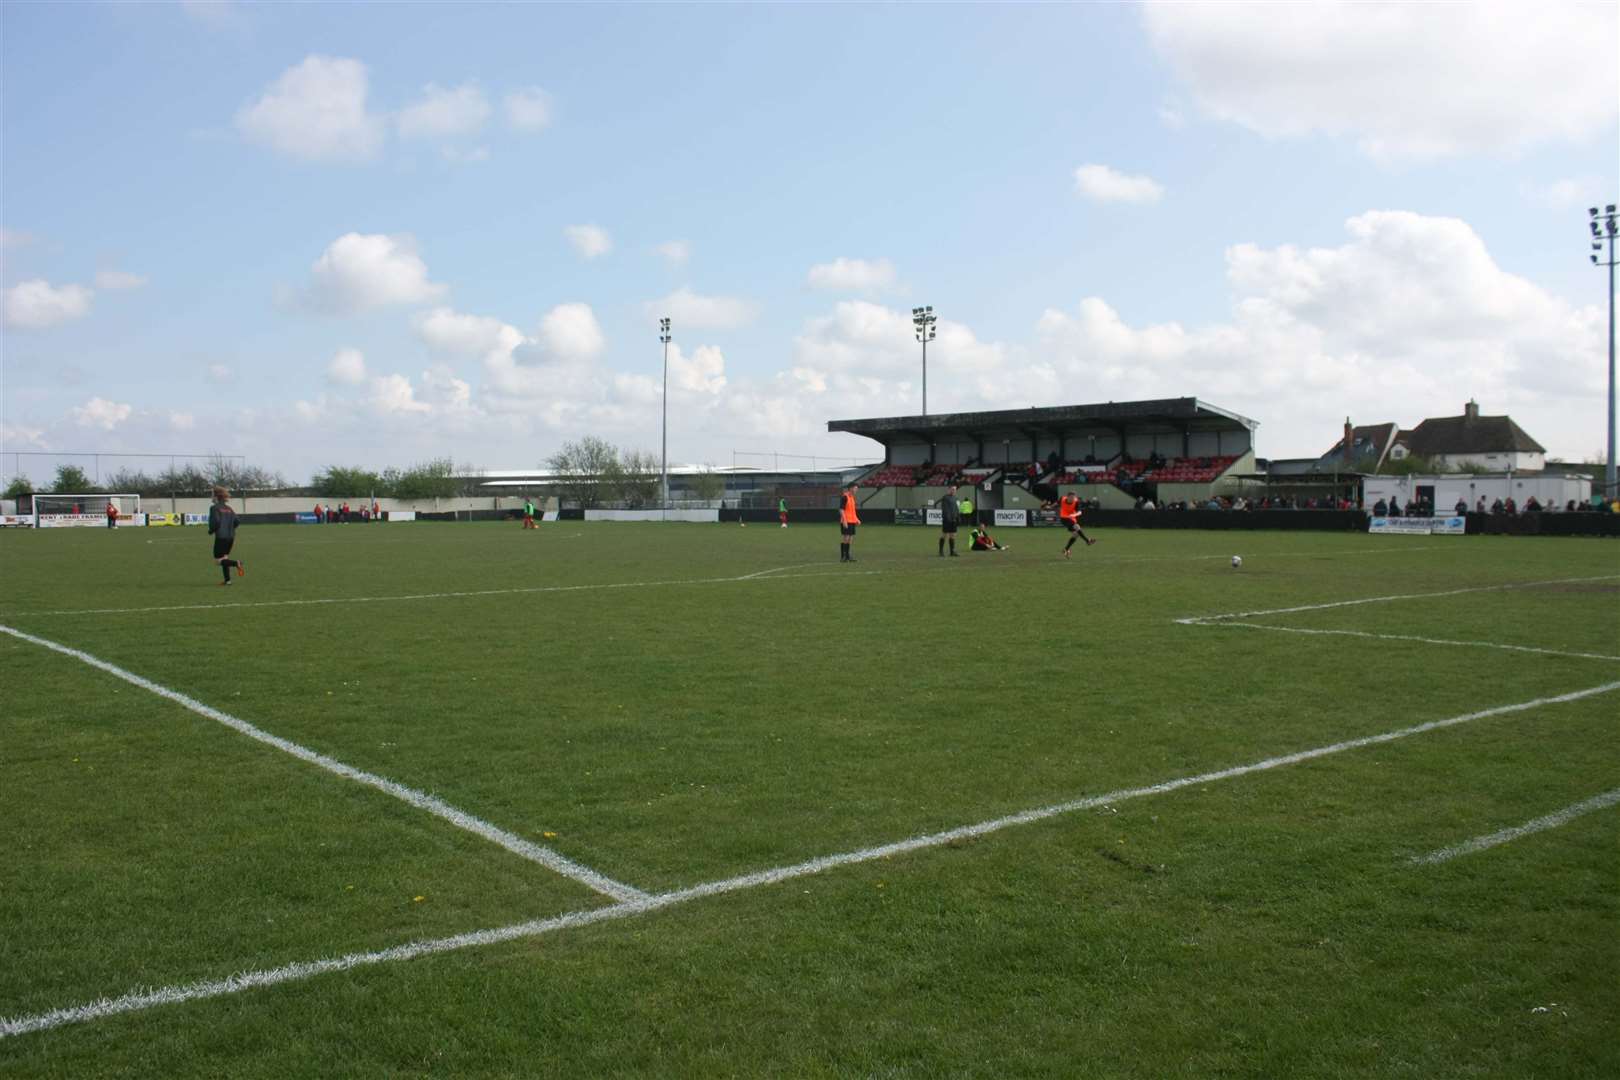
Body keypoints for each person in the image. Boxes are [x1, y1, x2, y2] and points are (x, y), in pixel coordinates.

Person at [208, 485, 244, 586]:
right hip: (230, 537)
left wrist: (211, 530)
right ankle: (227, 580)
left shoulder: (214, 508)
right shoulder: (229, 508)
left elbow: (215, 522)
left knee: (218, 561)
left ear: (216, 497)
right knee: (224, 558)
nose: (211, 498)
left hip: (221, 537)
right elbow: (237, 521)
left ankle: (236, 563)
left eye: (212, 495)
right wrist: (230, 529)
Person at [1058, 492, 1096, 558]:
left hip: (1071, 518)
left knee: (1076, 534)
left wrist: (1073, 515)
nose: (1072, 498)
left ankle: (1066, 549)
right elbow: (1057, 503)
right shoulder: (1062, 498)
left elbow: (1079, 512)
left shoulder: (1076, 502)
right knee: (1077, 527)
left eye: (1073, 497)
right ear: (1067, 497)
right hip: (1064, 518)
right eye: (1071, 497)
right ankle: (1087, 541)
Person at [838, 482, 860, 562]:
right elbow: (841, 510)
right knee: (846, 538)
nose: (857, 489)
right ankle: (843, 556)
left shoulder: (852, 497)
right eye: (855, 488)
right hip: (846, 520)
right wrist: (844, 521)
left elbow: (852, 510)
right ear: (851, 488)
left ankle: (848, 555)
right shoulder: (845, 497)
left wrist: (857, 519)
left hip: (852, 521)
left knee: (850, 538)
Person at [937, 484, 961, 556]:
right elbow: (944, 509)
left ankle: (952, 552)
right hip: (947, 520)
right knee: (944, 535)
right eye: (953, 489)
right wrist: (947, 518)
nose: (954, 491)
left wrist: (958, 517)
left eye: (955, 489)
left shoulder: (956, 498)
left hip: (954, 520)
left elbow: (957, 509)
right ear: (949, 489)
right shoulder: (945, 498)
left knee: (952, 535)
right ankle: (941, 551)